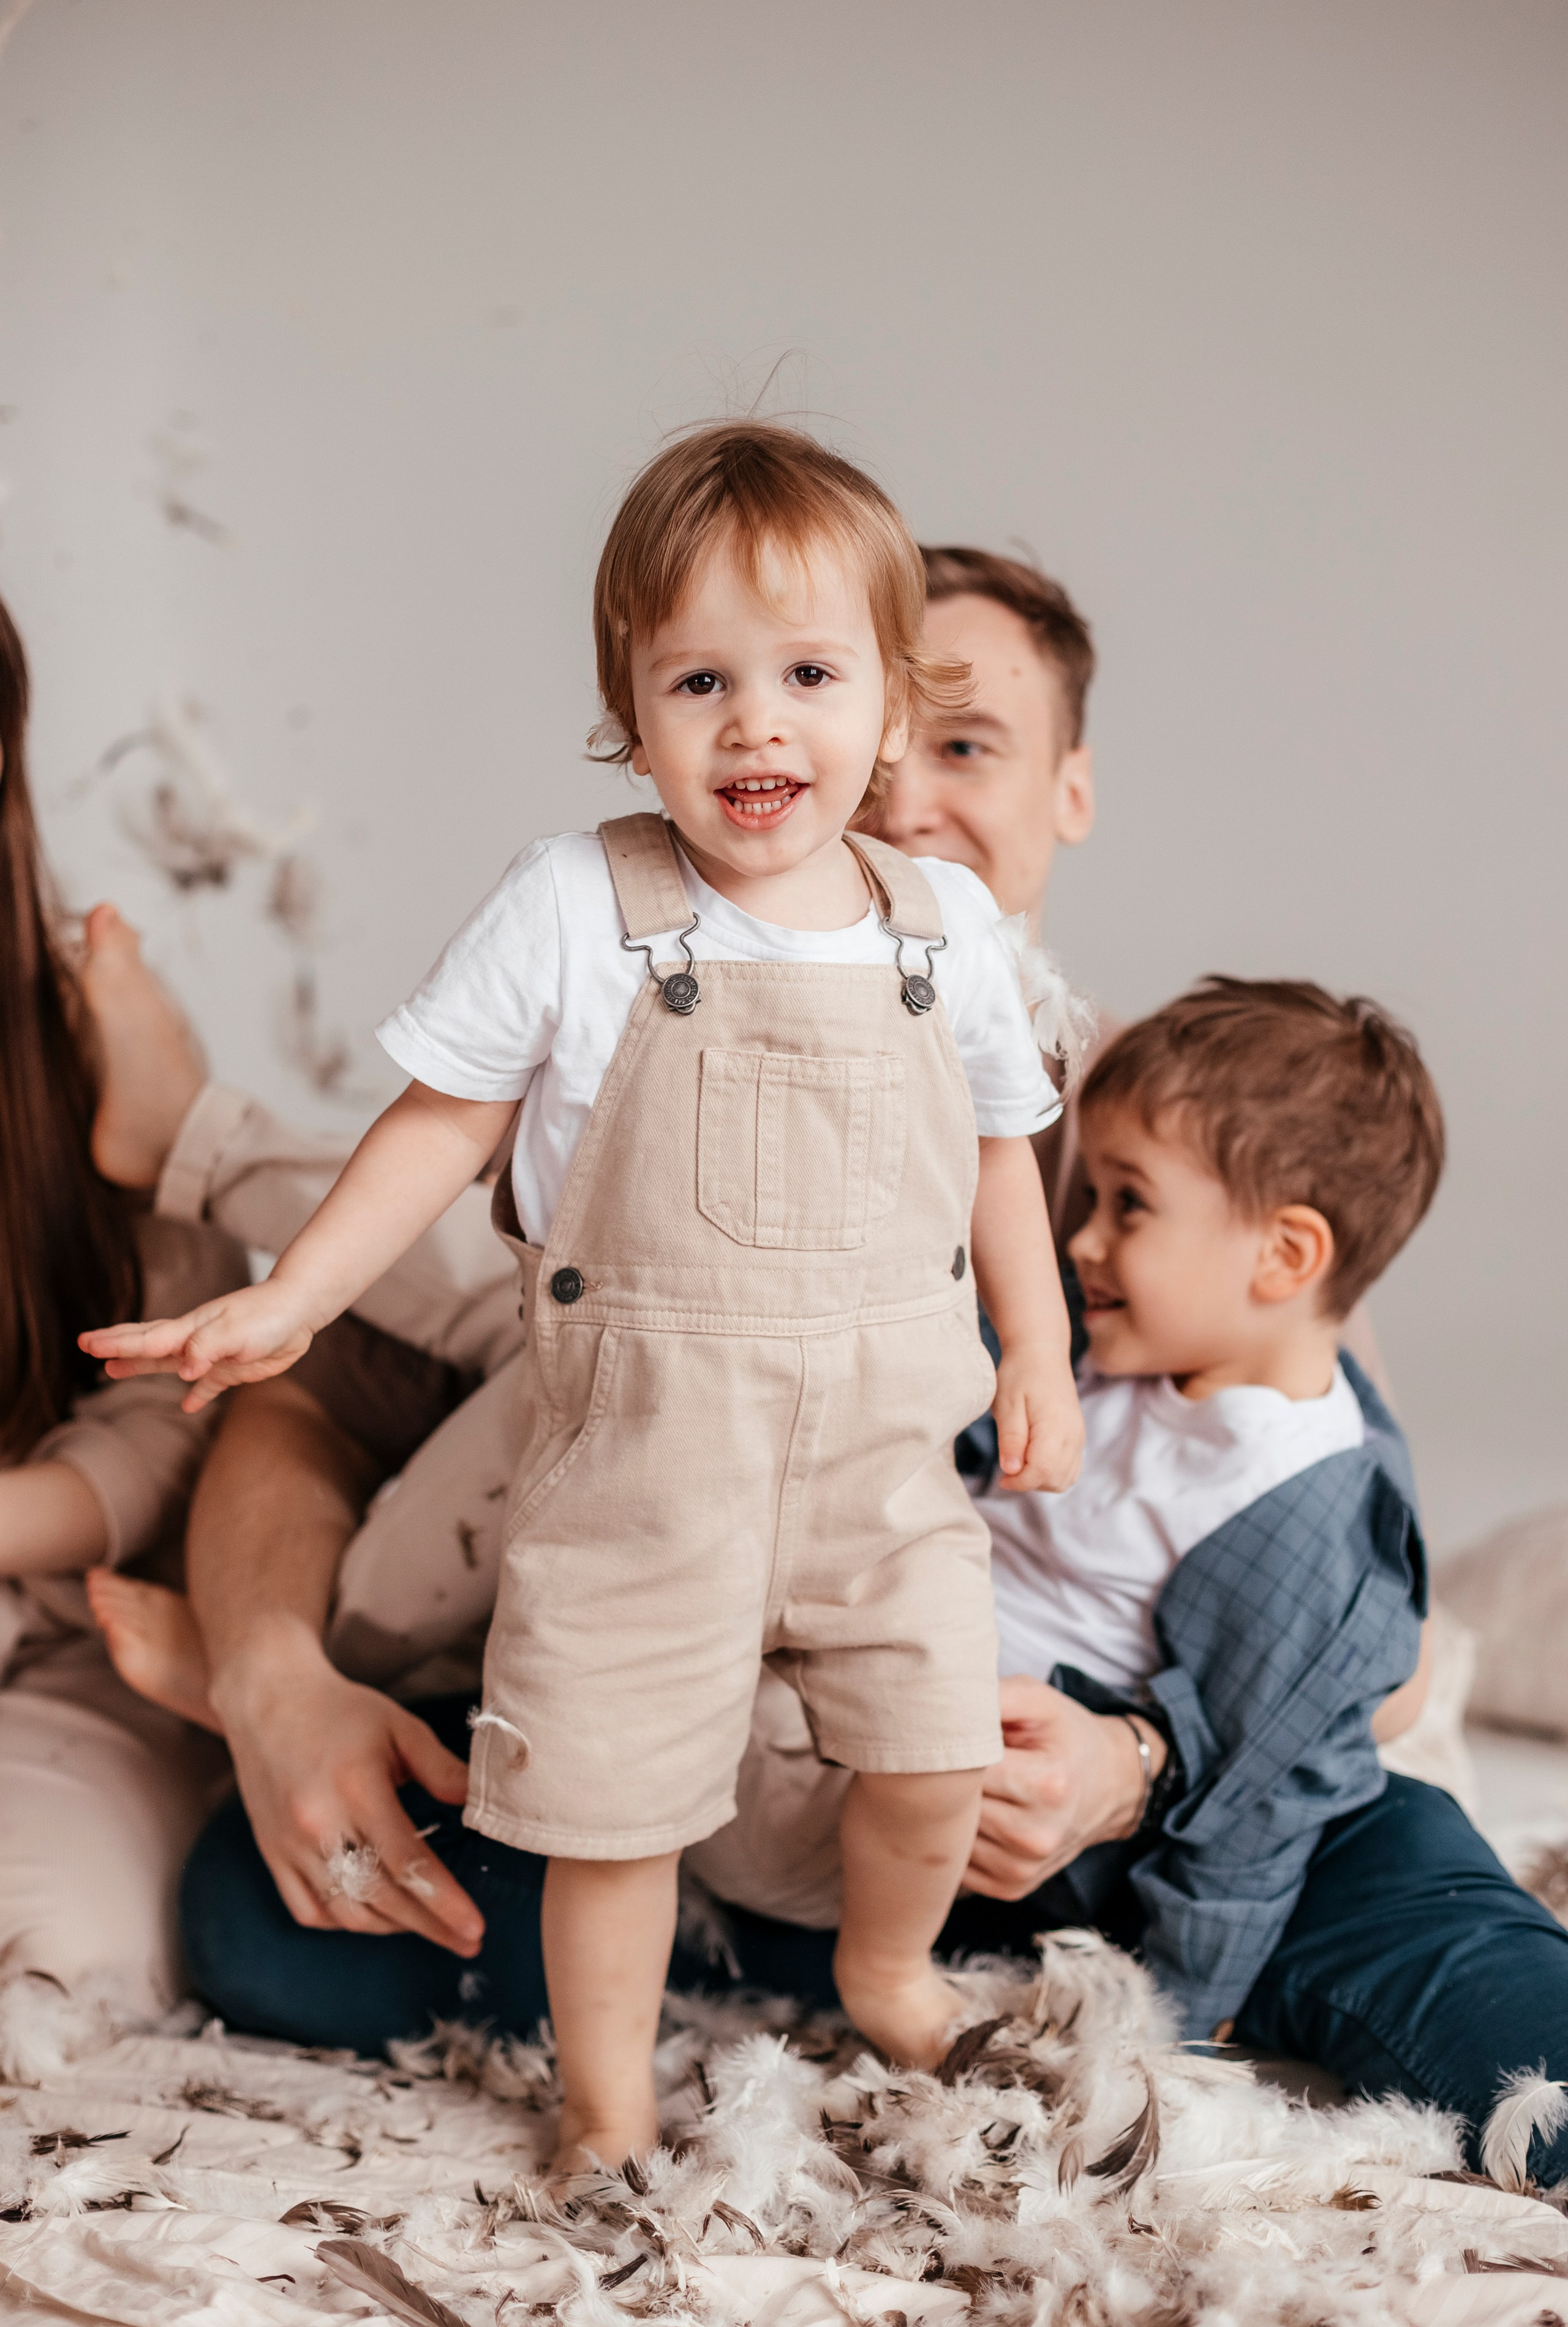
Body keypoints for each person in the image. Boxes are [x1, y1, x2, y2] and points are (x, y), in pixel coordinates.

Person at [77, 542, 1568, 2184]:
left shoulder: (1197, 1136)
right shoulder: (651, 985)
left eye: (968, 744)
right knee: (269, 1914)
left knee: (1490, 2014)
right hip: (725, 1694)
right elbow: (335, 1371)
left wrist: (1127, 1770)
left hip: (1103, 1784)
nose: (904, 796)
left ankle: (905, 1968)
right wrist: (272, 1667)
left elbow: (1360, 1620)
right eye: (852, 714)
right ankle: (742, 1975)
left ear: (1071, 790)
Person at [79, 422, 1085, 2168]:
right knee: (609, 1819)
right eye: (701, 679)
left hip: (882, 1468)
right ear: (630, 714)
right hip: (640, 1465)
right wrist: (299, 1298)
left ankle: (890, 1968)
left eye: (808, 675)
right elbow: (435, 1128)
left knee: (930, 1753)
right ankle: (608, 2105)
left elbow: (1005, 1156)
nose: (757, 721)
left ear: (887, 712)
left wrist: (1048, 1358)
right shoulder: (576, 904)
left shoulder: (945, 934)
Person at [695, 976, 1443, 2041]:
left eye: (1127, 1205)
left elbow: (1260, 1800)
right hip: (857, 1659)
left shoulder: (1300, 1499)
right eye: (1090, 1199)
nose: (1083, 1240)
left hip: (912, 1789)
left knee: (666, 1721)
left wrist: (1176, 2019)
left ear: (1285, 1256)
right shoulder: (1134, 1356)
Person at [0, 591, 243, 2018]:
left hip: (58, 1633)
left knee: (64, 1951)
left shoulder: (89, 1020)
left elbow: (183, 1392)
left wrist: (27, 1517)